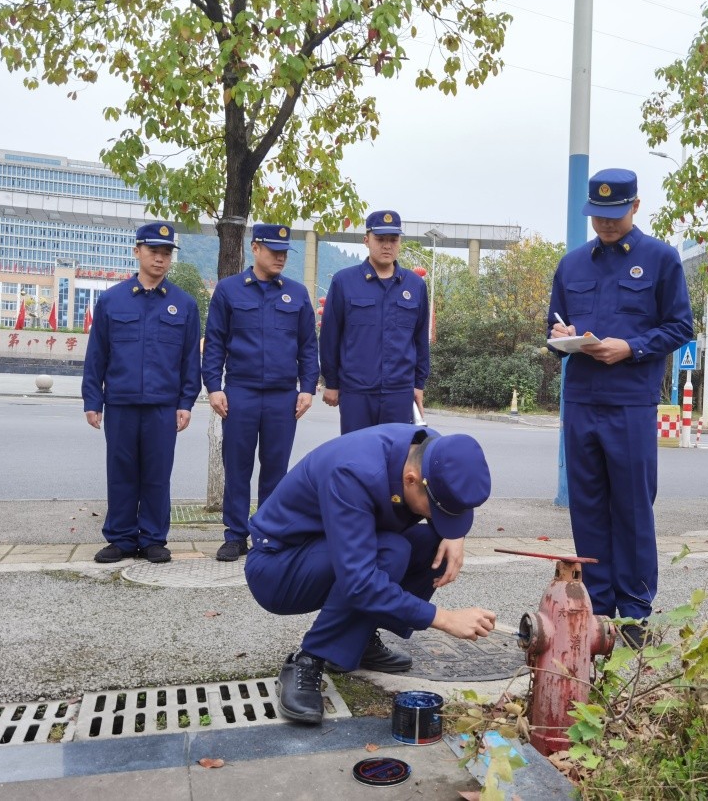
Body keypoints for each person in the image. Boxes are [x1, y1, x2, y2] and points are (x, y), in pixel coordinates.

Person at [245, 425, 497, 724]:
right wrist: (444, 618)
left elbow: (447, 497)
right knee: (389, 553)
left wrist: (454, 534)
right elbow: (359, 581)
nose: (437, 516)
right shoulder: (351, 472)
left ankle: (357, 638)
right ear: (411, 479)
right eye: (438, 509)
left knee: (435, 545)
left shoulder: (433, 453)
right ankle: (308, 660)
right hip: (279, 567)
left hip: (328, 548)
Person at [548, 168, 693, 644]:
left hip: (630, 401)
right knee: (586, 506)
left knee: (631, 507)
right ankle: (598, 608)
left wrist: (630, 347)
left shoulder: (660, 259)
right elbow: (555, 330)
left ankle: (633, 616)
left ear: (635, 205)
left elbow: (679, 327)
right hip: (582, 399)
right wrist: (562, 340)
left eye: (614, 215)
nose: (605, 225)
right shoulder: (571, 266)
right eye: (598, 217)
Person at [82, 222, 202, 564]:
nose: (160, 260)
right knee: (121, 473)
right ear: (137, 252)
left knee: (156, 474)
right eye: (153, 252)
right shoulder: (111, 300)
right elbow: (97, 356)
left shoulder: (184, 305)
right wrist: (93, 400)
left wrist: (186, 403)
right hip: (120, 403)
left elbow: (189, 360)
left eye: (166, 254)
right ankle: (120, 538)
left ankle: (152, 539)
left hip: (163, 407)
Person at [201, 223, 319, 563]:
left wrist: (307, 388)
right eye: (273, 251)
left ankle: (267, 533)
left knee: (275, 470)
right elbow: (215, 344)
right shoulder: (229, 290)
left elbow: (308, 346)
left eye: (284, 252)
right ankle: (235, 536)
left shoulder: (296, 294)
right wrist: (214, 387)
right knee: (237, 467)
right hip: (241, 392)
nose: (280, 257)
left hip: (283, 396)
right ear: (255, 248)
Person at [319, 209, 429, 434]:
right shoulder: (344, 282)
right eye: (380, 239)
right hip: (356, 392)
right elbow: (330, 336)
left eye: (393, 239)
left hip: (399, 392)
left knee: (396, 458)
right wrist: (331, 382)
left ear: (400, 242)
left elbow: (420, 339)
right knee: (356, 458)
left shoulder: (414, 286)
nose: (387, 245)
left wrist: (419, 384)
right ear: (366, 240)